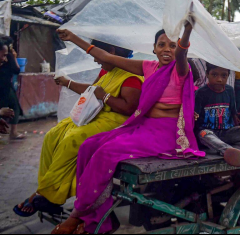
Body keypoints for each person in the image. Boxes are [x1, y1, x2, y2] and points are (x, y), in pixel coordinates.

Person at [52, 23, 205, 234]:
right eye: (162, 45)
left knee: (106, 152)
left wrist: (186, 32)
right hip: (144, 127)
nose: (167, 49)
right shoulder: (148, 67)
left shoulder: (181, 69)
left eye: (172, 45)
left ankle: (77, 215)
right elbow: (108, 57)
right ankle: (100, 218)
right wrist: (73, 38)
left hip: (167, 134)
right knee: (88, 146)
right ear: (154, 48)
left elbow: (182, 53)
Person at [13, 40, 143, 218]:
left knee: (71, 140)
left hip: (116, 121)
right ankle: (46, 190)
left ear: (110, 51)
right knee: (53, 135)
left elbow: (128, 108)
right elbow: (92, 90)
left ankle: (48, 195)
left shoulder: (132, 76)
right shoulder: (108, 69)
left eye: (97, 55)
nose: (96, 61)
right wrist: (67, 83)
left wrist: (104, 96)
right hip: (99, 115)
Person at [0, 36, 25, 141]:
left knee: (13, 108)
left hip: (6, 87)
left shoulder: (9, 57)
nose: (5, 58)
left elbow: (16, 70)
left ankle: (13, 132)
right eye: (3, 55)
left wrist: (14, 57)